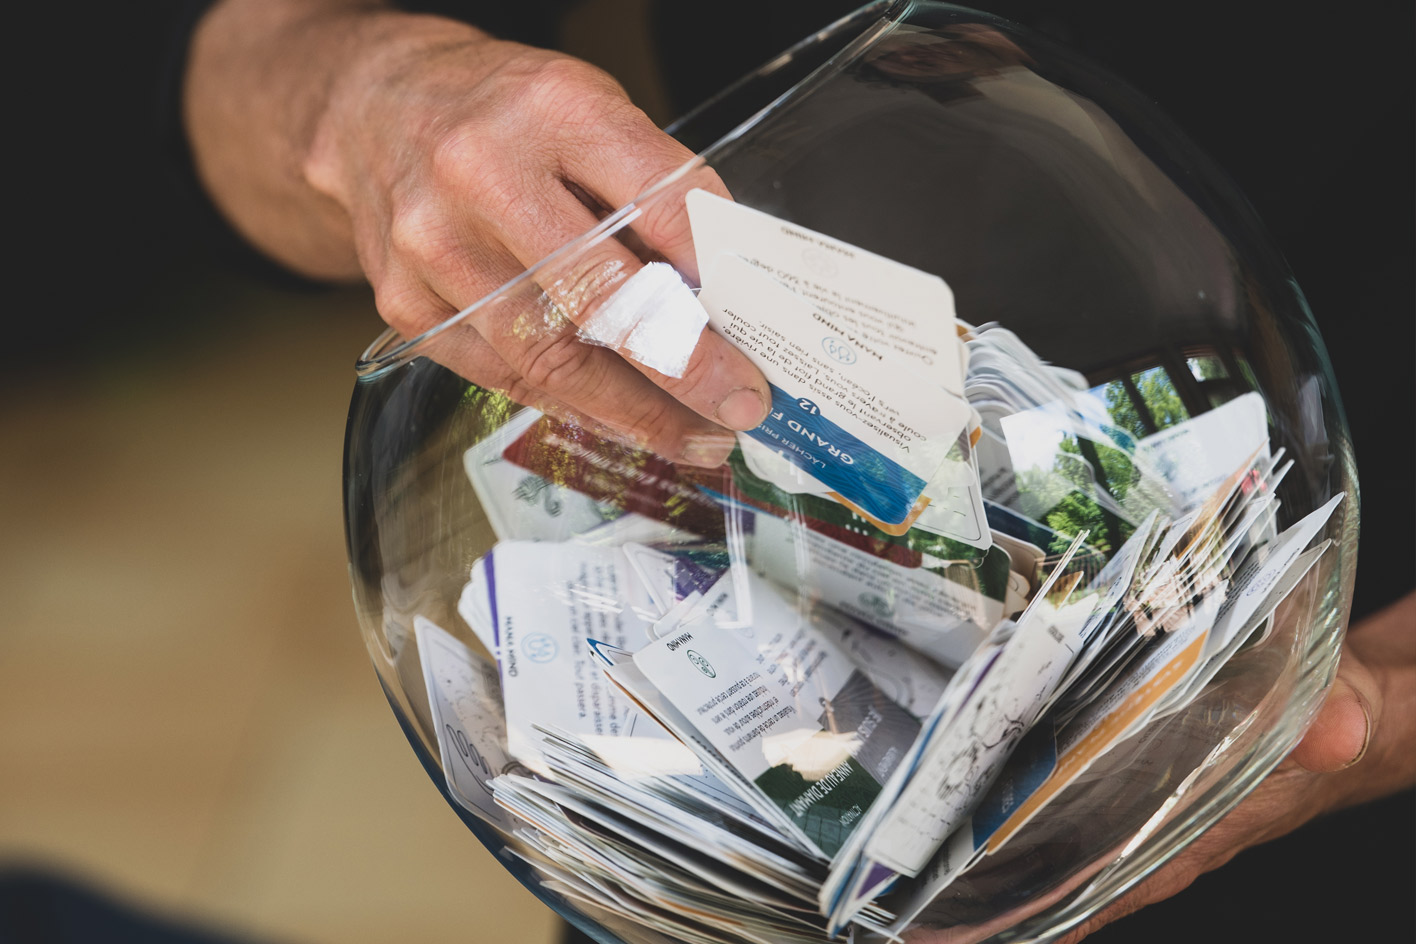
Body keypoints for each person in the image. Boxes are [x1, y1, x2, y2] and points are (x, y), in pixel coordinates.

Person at [19, 0, 1407, 940]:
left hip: (1326, 733)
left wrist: (1382, 719)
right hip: (738, 842)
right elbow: (149, 59)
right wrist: (353, 91)